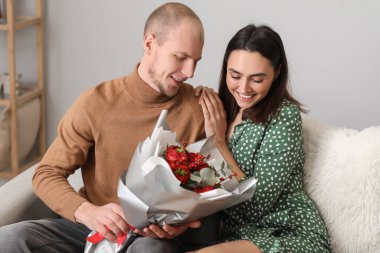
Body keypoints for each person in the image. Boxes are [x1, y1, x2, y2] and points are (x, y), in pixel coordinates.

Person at [0, 3, 220, 253]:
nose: (190, 72)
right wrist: (88, 212)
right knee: (8, 240)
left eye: (196, 60)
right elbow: (46, 173)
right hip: (91, 229)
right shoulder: (97, 103)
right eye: (180, 58)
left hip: (151, 239)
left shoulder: (198, 109)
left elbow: (206, 189)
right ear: (149, 44)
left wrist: (181, 224)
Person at [196, 24, 331, 253]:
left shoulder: (284, 117)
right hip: (235, 234)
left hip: (286, 232)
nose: (243, 88)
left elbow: (254, 206)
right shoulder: (223, 110)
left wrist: (218, 144)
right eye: (235, 75)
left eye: (257, 79)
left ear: (277, 73)